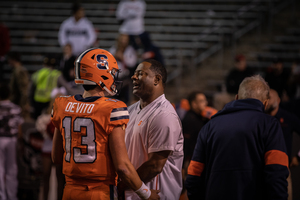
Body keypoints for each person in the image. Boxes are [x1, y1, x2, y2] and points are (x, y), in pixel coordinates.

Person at [51, 48, 160, 200]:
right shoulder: (111, 108)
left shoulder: (62, 104)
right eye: (111, 73)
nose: (113, 77)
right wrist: (146, 194)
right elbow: (122, 166)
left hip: (69, 190)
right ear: (100, 74)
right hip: (99, 191)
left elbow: (56, 157)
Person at [186, 75, 289, 200]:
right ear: (265, 103)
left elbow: (194, 174)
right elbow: (276, 172)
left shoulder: (209, 126)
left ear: (237, 98)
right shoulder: (270, 125)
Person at [123, 59, 184, 199]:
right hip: (134, 193)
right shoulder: (130, 110)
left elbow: (155, 165)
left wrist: (123, 185)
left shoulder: (164, 115)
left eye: (140, 73)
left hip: (155, 194)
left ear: (156, 79)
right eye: (134, 74)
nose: (133, 77)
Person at [265, 89, 300, 200]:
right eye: (265, 98)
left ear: (278, 100)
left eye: (270, 97)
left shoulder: (288, 118)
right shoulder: (260, 117)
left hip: (283, 170)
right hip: (263, 169)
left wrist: (299, 157)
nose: (267, 101)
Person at [0, 83, 24, 200]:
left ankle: (2, 196)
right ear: (9, 93)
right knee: (12, 169)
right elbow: (19, 128)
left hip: (0, 139)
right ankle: (12, 196)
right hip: (11, 140)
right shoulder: (16, 108)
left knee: (0, 169)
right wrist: (20, 142)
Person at [30, 55, 61, 119]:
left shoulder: (40, 72)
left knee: (37, 119)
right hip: (48, 100)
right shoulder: (56, 74)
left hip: (37, 99)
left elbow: (32, 82)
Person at [7, 52, 30, 118]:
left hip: (19, 105)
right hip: (16, 104)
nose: (8, 62)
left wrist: (23, 106)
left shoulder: (19, 71)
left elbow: (24, 90)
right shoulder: (16, 70)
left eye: (9, 59)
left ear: (13, 59)